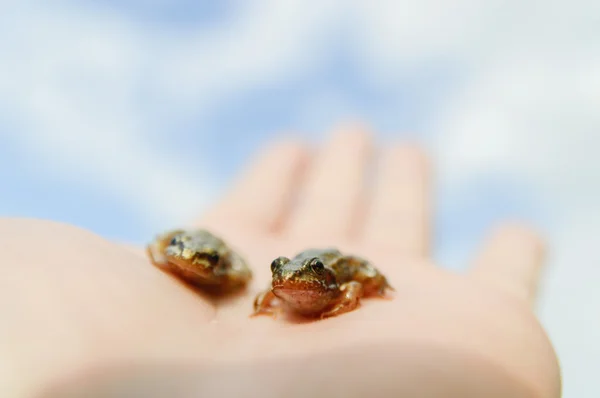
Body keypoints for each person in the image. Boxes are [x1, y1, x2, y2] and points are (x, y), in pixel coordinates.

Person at [0, 128, 561, 397]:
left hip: (340, 263)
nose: (289, 284)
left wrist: (354, 297)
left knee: (368, 271)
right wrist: (268, 305)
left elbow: (347, 284)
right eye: (281, 278)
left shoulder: (332, 284)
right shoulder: (279, 288)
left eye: (298, 279)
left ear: (314, 282)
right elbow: (270, 292)